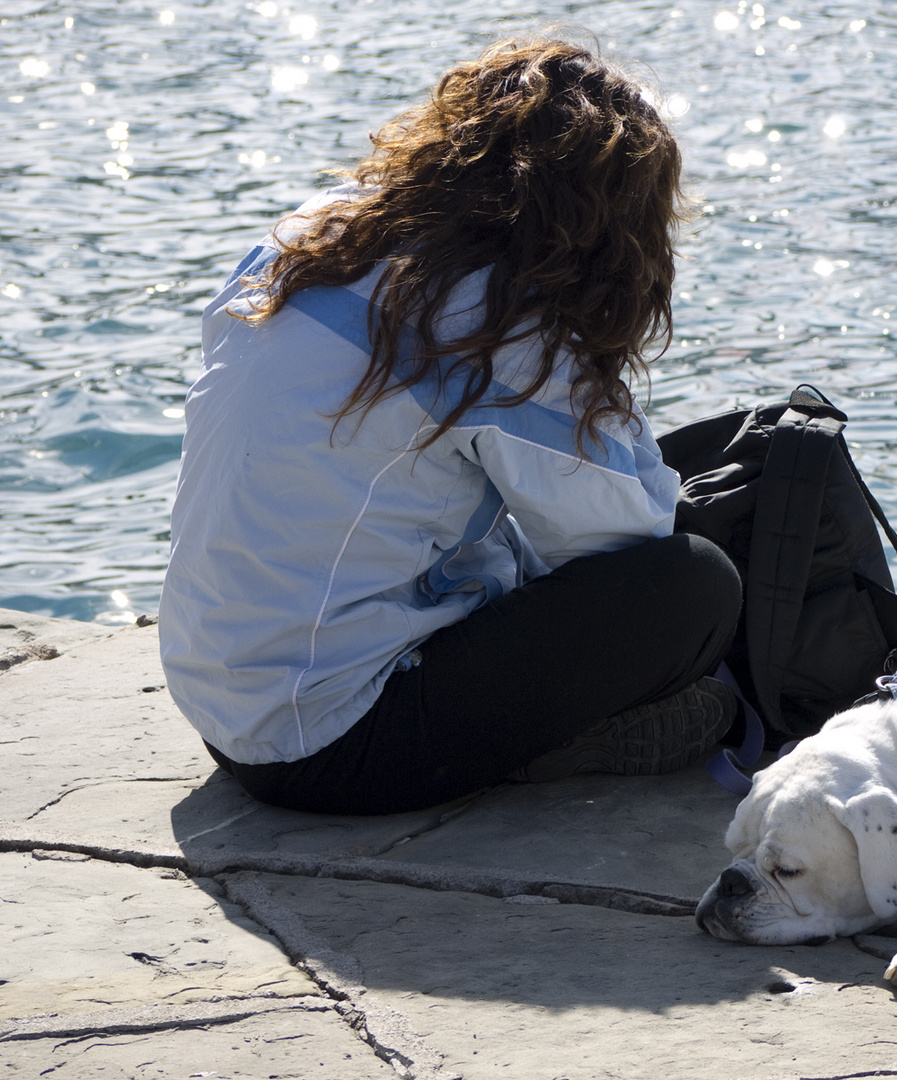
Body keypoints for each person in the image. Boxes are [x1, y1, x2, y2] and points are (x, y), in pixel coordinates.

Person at [158, 38, 742, 816]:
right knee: (695, 583)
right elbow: (622, 546)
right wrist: (599, 376)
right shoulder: (501, 324)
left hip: (220, 701)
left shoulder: (309, 233)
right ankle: (545, 753)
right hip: (332, 744)